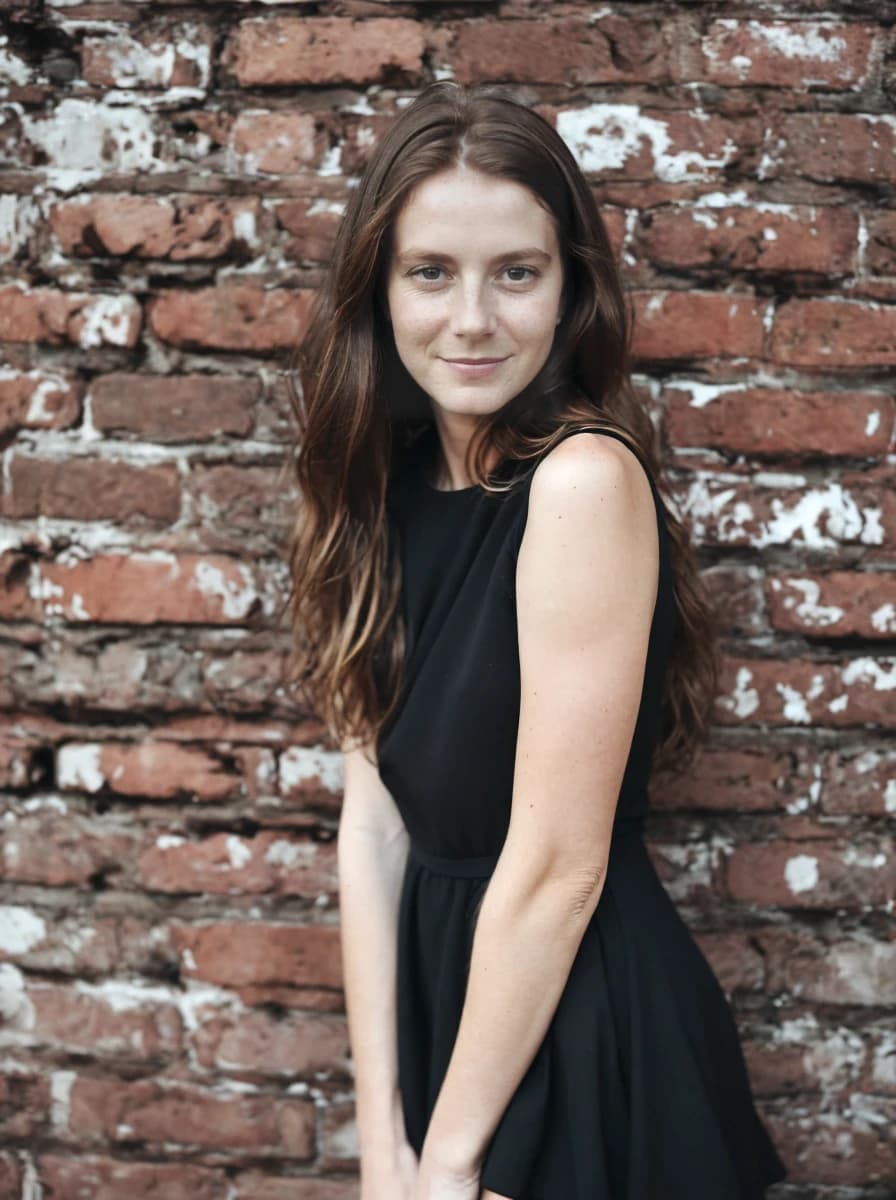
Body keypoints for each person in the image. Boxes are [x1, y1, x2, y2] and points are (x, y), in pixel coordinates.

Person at [287, 80, 787, 1200]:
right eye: (431, 272)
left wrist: (458, 1155)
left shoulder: (578, 482)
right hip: (449, 1034)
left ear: (568, 292)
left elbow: (560, 870)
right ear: (377, 291)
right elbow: (372, 830)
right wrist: (386, 1144)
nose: (471, 320)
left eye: (515, 272)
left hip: (572, 1033)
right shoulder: (383, 488)